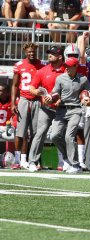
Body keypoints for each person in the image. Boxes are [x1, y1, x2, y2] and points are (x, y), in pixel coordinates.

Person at [49, 57, 90, 173]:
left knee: (69, 136)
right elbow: (54, 93)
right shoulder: (60, 78)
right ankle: (67, 158)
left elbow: (89, 93)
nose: (67, 68)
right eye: (66, 66)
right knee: (54, 136)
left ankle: (75, 164)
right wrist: (51, 98)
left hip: (76, 110)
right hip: (61, 110)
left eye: (69, 66)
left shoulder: (83, 79)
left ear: (75, 66)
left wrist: (88, 99)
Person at [27, 46, 66, 172]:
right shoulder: (42, 71)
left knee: (60, 136)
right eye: (49, 53)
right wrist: (38, 93)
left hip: (62, 109)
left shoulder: (67, 71)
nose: (50, 55)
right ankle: (32, 161)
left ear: (60, 57)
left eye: (53, 53)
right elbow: (31, 88)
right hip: (46, 108)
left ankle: (67, 160)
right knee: (40, 133)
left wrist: (62, 99)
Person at [11, 42, 45, 170]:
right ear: (25, 52)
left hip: (37, 100)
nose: (31, 53)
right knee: (21, 131)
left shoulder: (42, 65)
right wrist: (13, 103)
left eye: (33, 51)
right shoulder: (19, 65)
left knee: (37, 132)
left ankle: (34, 160)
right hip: (24, 99)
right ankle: (18, 159)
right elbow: (14, 85)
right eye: (29, 51)